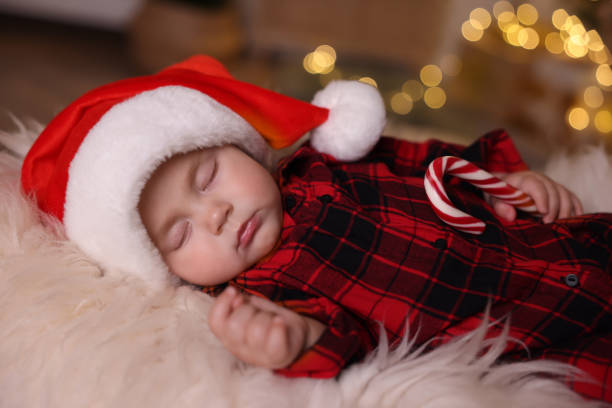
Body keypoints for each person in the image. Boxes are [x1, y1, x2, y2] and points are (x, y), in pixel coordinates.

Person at [21, 55, 611, 402]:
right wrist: (289, 342)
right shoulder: (261, 291)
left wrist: (510, 180)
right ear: (167, 271)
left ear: (243, 147)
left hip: (550, 245)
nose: (215, 214)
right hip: (540, 336)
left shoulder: (327, 162)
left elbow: (431, 160)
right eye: (179, 236)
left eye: (207, 178)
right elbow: (344, 346)